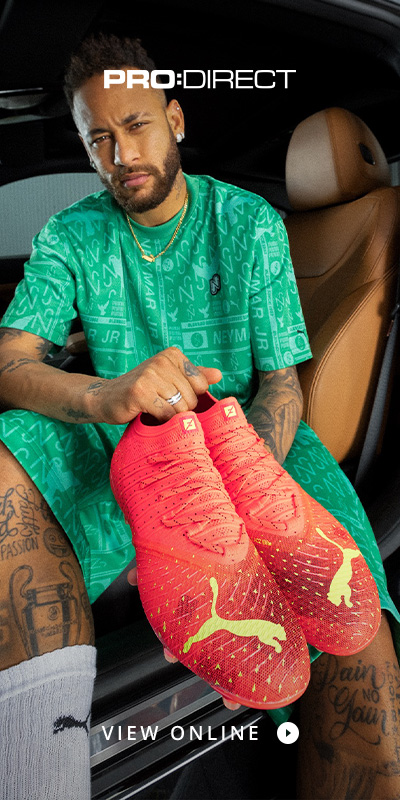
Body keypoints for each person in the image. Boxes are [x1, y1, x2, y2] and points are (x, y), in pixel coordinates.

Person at [0, 31, 399, 800]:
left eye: (136, 125)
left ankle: (228, 534)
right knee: (7, 452)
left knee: (358, 633)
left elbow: (282, 387)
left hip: (249, 439)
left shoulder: (249, 222)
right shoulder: (71, 234)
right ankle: (39, 772)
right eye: (99, 139)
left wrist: (243, 472)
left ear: (175, 120)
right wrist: (106, 395)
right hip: (126, 438)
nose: (122, 154)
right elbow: (11, 364)